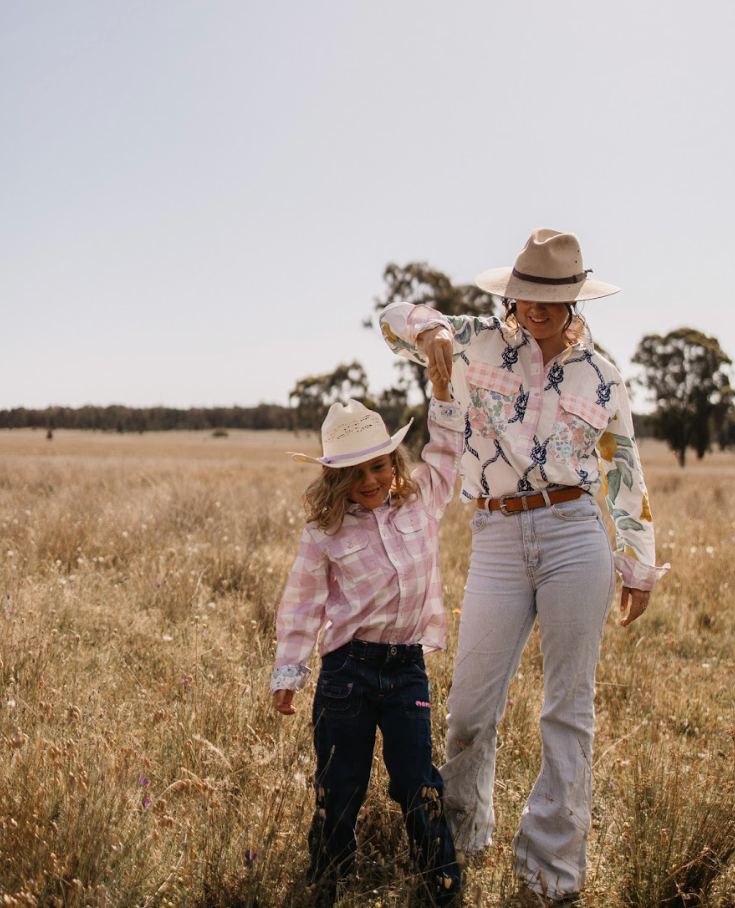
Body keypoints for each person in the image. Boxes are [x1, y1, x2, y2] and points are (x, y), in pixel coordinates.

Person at [379, 228, 670, 905]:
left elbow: (624, 469)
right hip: (498, 535)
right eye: (523, 296)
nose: (532, 310)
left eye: (548, 300)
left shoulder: (602, 376)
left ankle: (550, 872)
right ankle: (456, 843)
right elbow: (390, 319)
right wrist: (430, 339)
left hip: (574, 534)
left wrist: (638, 565)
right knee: (472, 704)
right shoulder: (477, 337)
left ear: (573, 301)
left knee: (568, 709)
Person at [270, 373, 464, 907]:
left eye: (378, 465)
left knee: (416, 780)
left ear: (393, 461)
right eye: (354, 473)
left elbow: (447, 452)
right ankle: (327, 878)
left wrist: (443, 395)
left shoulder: (421, 500)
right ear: (335, 479)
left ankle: (440, 883)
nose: (370, 481)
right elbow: (302, 605)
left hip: (406, 669)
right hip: (346, 674)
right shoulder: (325, 533)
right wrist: (290, 672)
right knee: (340, 784)